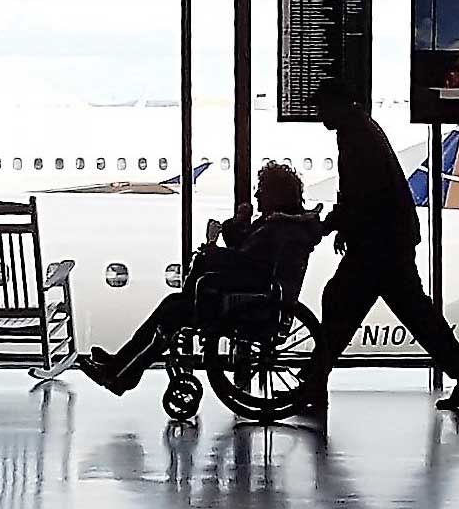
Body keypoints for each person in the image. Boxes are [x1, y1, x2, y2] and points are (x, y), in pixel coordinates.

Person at [312, 80, 459, 410]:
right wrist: (341, 224)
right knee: (414, 313)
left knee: (339, 302)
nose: (319, 114)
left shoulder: (354, 135)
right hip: (389, 240)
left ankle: (313, 383)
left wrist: (330, 224)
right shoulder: (361, 129)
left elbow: (359, 193)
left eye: (322, 107)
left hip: (377, 245)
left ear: (337, 105)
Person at [79, 161, 326, 395]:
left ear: (276, 195)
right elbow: (249, 259)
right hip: (253, 302)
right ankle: (122, 368)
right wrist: (237, 226)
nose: (257, 196)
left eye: (261, 191)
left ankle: (122, 370)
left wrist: (211, 248)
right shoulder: (282, 227)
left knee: (174, 309)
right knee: (172, 309)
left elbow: (246, 264)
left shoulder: (277, 229)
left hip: (248, 306)